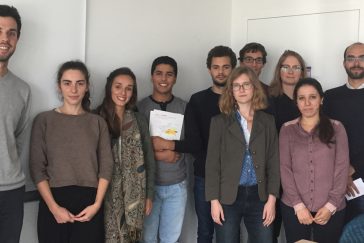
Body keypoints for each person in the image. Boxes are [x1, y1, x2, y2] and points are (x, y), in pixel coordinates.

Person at [151, 45, 237, 243]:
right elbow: (194, 143)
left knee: (230, 233)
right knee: (205, 230)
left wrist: (169, 146)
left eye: (226, 67)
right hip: (204, 176)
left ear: (233, 68)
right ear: (209, 69)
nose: (221, 71)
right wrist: (171, 147)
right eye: (216, 67)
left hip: (235, 176)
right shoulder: (197, 100)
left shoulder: (240, 98)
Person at [29, 61, 113, 243]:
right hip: (53, 200)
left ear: (87, 87)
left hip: (90, 203)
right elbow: (37, 168)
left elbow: (106, 166)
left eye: (79, 83)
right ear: (59, 86)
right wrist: (54, 208)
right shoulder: (44, 120)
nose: (73, 89)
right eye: (67, 83)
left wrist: (97, 204)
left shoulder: (97, 123)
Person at [205, 66, 280, 243]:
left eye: (246, 84)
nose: (241, 89)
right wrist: (214, 202)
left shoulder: (268, 121)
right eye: (236, 85)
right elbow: (212, 165)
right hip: (228, 196)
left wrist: (272, 200)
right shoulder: (219, 122)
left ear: (254, 87)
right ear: (230, 91)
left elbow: (273, 162)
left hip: (260, 195)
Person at [280, 78, 349, 243]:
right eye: (301, 98)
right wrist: (298, 206)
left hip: (331, 208)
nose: (307, 103)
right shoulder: (287, 129)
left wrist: (330, 206)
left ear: (321, 99)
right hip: (294, 207)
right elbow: (285, 169)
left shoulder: (337, 128)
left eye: (312, 97)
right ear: (296, 102)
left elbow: (342, 169)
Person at [96, 67, 155, 243]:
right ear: (109, 88)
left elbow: (149, 160)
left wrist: (149, 195)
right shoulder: (97, 118)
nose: (123, 93)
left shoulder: (139, 120)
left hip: (135, 196)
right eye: (118, 86)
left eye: (129, 88)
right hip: (105, 194)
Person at [137, 56, 188, 243]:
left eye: (169, 74)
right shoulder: (140, 108)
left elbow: (192, 144)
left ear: (175, 78)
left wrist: (169, 147)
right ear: (151, 77)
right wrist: (161, 155)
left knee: (171, 239)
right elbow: (133, 147)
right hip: (148, 186)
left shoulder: (184, 107)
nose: (164, 79)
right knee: (148, 238)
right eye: (159, 73)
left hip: (177, 185)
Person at [323, 42, 364, 223]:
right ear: (344, 63)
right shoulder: (330, 97)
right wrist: (342, 171)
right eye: (351, 58)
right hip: (333, 181)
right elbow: (324, 138)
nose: (356, 63)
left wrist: (353, 169)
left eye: (362, 58)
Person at [0, 5, 31, 243]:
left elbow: (18, 139)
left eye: (11, 32)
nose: (5, 38)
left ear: (18, 39)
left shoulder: (22, 90)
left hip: (11, 191)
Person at [267, 50, 307, 131]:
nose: (290, 72)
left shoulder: (309, 100)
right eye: (286, 67)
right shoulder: (268, 101)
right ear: (279, 71)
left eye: (296, 68)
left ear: (302, 73)